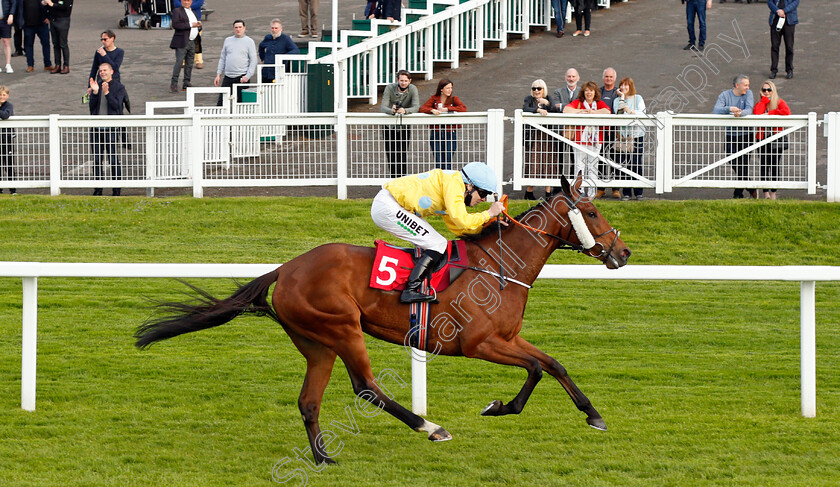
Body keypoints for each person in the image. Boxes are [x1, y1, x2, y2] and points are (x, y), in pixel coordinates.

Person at [370, 162, 505, 302]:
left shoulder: (453, 183)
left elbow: (457, 227)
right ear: (469, 186)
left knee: (436, 243)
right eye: (482, 193)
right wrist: (488, 213)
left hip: (390, 205)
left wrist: (487, 229)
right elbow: (462, 220)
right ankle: (410, 290)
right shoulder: (454, 184)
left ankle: (417, 283)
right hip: (388, 207)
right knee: (437, 244)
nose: (483, 199)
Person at [88, 62, 128, 196]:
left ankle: (116, 190)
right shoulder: (97, 86)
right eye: (100, 71)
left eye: (104, 70)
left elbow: (117, 106)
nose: (102, 73)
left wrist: (107, 93)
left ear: (112, 72)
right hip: (96, 128)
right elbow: (92, 108)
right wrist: (95, 92)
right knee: (97, 159)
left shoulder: (119, 87)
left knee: (113, 158)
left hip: (111, 128)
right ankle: (98, 189)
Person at [713, 75, 755, 199]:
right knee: (732, 160)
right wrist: (730, 109)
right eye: (745, 85)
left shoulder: (748, 94)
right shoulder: (724, 95)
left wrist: (740, 113)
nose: (748, 87)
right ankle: (751, 186)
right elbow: (716, 110)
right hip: (731, 134)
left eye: (748, 85)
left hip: (747, 134)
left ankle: (738, 194)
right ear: (737, 85)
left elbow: (749, 109)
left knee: (744, 164)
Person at [563, 81, 610, 186]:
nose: (589, 93)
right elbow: (566, 109)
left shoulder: (599, 103)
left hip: (596, 140)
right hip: (579, 139)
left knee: (593, 166)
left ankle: (591, 192)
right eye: (586, 90)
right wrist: (581, 111)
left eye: (591, 91)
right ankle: (578, 191)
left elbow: (607, 111)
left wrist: (594, 112)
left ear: (595, 92)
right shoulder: (578, 102)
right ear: (583, 92)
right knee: (579, 166)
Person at [522, 78, 559, 200]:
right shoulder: (529, 99)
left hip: (547, 135)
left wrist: (547, 103)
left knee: (548, 161)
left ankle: (548, 192)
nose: (536, 91)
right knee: (533, 161)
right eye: (534, 88)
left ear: (544, 90)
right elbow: (525, 108)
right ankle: (529, 192)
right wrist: (537, 110)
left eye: (539, 88)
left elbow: (555, 109)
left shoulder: (549, 99)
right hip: (534, 136)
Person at [753, 80, 790, 200]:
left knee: (774, 165)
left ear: (773, 91)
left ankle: (773, 193)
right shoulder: (760, 103)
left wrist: (770, 113)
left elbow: (786, 112)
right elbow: (757, 113)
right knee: (763, 165)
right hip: (762, 138)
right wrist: (764, 101)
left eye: (769, 90)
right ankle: (766, 193)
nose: (767, 92)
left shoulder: (779, 102)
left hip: (776, 138)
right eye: (764, 90)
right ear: (761, 91)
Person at [420, 78, 467, 170]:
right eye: (447, 88)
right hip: (436, 131)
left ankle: (446, 179)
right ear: (441, 89)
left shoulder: (454, 99)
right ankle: (439, 180)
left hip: (450, 131)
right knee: (438, 158)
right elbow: (422, 108)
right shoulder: (434, 99)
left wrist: (448, 109)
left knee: (448, 158)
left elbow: (463, 108)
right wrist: (431, 110)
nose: (450, 90)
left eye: (451, 88)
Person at [380, 69, 420, 178]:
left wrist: (405, 111)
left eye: (406, 81)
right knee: (390, 152)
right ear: (397, 80)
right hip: (389, 125)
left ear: (409, 81)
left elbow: (416, 106)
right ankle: (393, 178)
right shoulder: (389, 88)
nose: (403, 83)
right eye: (401, 80)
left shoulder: (413, 89)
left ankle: (402, 178)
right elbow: (383, 107)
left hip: (404, 126)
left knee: (402, 153)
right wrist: (391, 110)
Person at [612, 77, 647, 201]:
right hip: (622, 137)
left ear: (631, 86)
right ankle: (626, 192)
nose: (624, 87)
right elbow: (618, 113)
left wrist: (629, 111)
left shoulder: (638, 98)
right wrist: (622, 99)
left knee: (636, 162)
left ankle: (638, 192)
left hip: (636, 136)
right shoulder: (617, 100)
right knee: (624, 164)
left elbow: (642, 113)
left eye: (626, 85)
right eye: (622, 85)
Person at [214, 19, 257, 106]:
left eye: (240, 27)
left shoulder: (249, 41)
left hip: (242, 77)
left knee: (240, 104)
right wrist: (218, 74)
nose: (238, 29)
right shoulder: (227, 40)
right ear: (233, 29)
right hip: (228, 76)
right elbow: (222, 58)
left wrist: (248, 76)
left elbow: (254, 60)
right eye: (236, 27)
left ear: (244, 28)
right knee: (221, 102)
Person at [553, 68, 580, 178]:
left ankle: (574, 184)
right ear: (565, 78)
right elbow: (555, 106)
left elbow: (582, 106)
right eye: (569, 76)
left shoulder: (582, 91)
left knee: (575, 158)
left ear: (578, 78)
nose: (571, 79)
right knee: (559, 158)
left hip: (576, 129)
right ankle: (558, 185)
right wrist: (575, 108)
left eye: (573, 76)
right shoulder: (558, 92)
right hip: (560, 129)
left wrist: (563, 106)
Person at [170, 0, 200, 93]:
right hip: (182, 41)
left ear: (191, 2)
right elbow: (176, 25)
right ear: (181, 1)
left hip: (192, 41)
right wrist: (191, 25)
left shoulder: (193, 12)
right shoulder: (177, 11)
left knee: (190, 63)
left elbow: (195, 24)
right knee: (179, 63)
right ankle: (174, 83)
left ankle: (186, 82)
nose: (186, 2)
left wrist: (198, 25)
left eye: (188, 0)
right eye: (184, 0)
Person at [599, 67, 620, 199]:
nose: (608, 79)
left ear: (615, 78)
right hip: (600, 130)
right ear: (603, 78)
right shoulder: (598, 92)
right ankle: (600, 188)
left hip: (613, 130)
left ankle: (616, 188)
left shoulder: (618, 92)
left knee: (614, 158)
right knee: (600, 158)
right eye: (606, 77)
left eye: (611, 77)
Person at [258, 19, 299, 83]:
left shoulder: (286, 39)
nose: (274, 30)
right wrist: (263, 58)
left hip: (278, 72)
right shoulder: (268, 38)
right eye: (272, 28)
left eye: (276, 28)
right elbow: (261, 47)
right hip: (266, 71)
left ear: (281, 28)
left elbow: (296, 50)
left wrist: (284, 57)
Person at [767, 0, 798, 80]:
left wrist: (784, 11)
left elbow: (795, 2)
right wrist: (777, 11)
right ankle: (774, 70)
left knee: (789, 47)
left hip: (789, 20)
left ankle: (789, 69)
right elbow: (770, 2)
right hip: (775, 19)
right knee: (774, 46)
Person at [21, 0, 51, 73]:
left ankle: (47, 64)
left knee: (46, 44)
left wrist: (49, 17)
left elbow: (50, 5)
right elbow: (19, 8)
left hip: (42, 24)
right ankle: (30, 65)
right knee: (28, 45)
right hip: (28, 25)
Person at [43, 0, 71, 75]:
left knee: (63, 44)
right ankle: (57, 65)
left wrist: (52, 4)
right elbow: (49, 5)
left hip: (63, 19)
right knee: (55, 44)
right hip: (53, 19)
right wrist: (46, 4)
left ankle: (66, 65)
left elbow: (66, 6)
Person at [174, 0, 203, 69]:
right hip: (182, 18)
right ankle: (182, 60)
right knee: (182, 40)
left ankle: (198, 61)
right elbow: (176, 2)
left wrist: (187, 6)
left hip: (196, 18)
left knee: (197, 41)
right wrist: (186, 6)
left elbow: (199, 3)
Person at [0, 85, 15, 194]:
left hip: (7, 139)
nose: (1, 97)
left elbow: (5, 115)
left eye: (3, 95)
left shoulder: (8, 106)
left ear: (7, 96)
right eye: (0, 95)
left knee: (8, 164)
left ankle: (12, 189)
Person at [0, 0, 20, 73]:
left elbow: (14, 3)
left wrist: (11, 14)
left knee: (6, 42)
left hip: (5, 20)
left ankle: (8, 64)